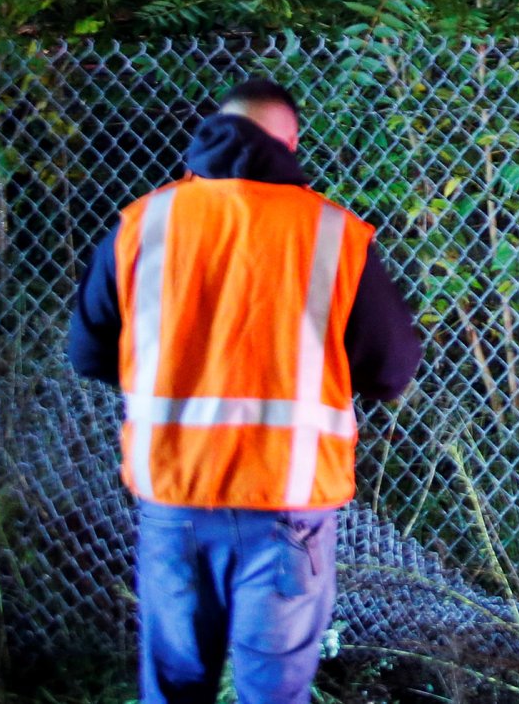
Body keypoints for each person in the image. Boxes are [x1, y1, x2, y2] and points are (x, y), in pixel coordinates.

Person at [67, 78, 421, 704]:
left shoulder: (147, 221)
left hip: (174, 494)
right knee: (273, 692)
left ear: (215, 132)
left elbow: (89, 353)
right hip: (287, 503)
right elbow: (392, 368)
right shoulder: (332, 233)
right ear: (290, 141)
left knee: (174, 686)